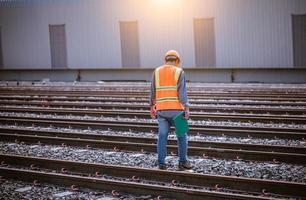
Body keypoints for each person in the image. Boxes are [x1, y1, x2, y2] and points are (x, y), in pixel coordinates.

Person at [149, 50, 193, 170]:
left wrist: (152, 106)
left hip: (162, 111)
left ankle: (162, 163)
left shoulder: (156, 71)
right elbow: (182, 93)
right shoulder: (179, 71)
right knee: (182, 135)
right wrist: (187, 108)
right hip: (177, 111)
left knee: (162, 136)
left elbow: (152, 91)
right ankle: (183, 162)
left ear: (165, 60)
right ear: (177, 60)